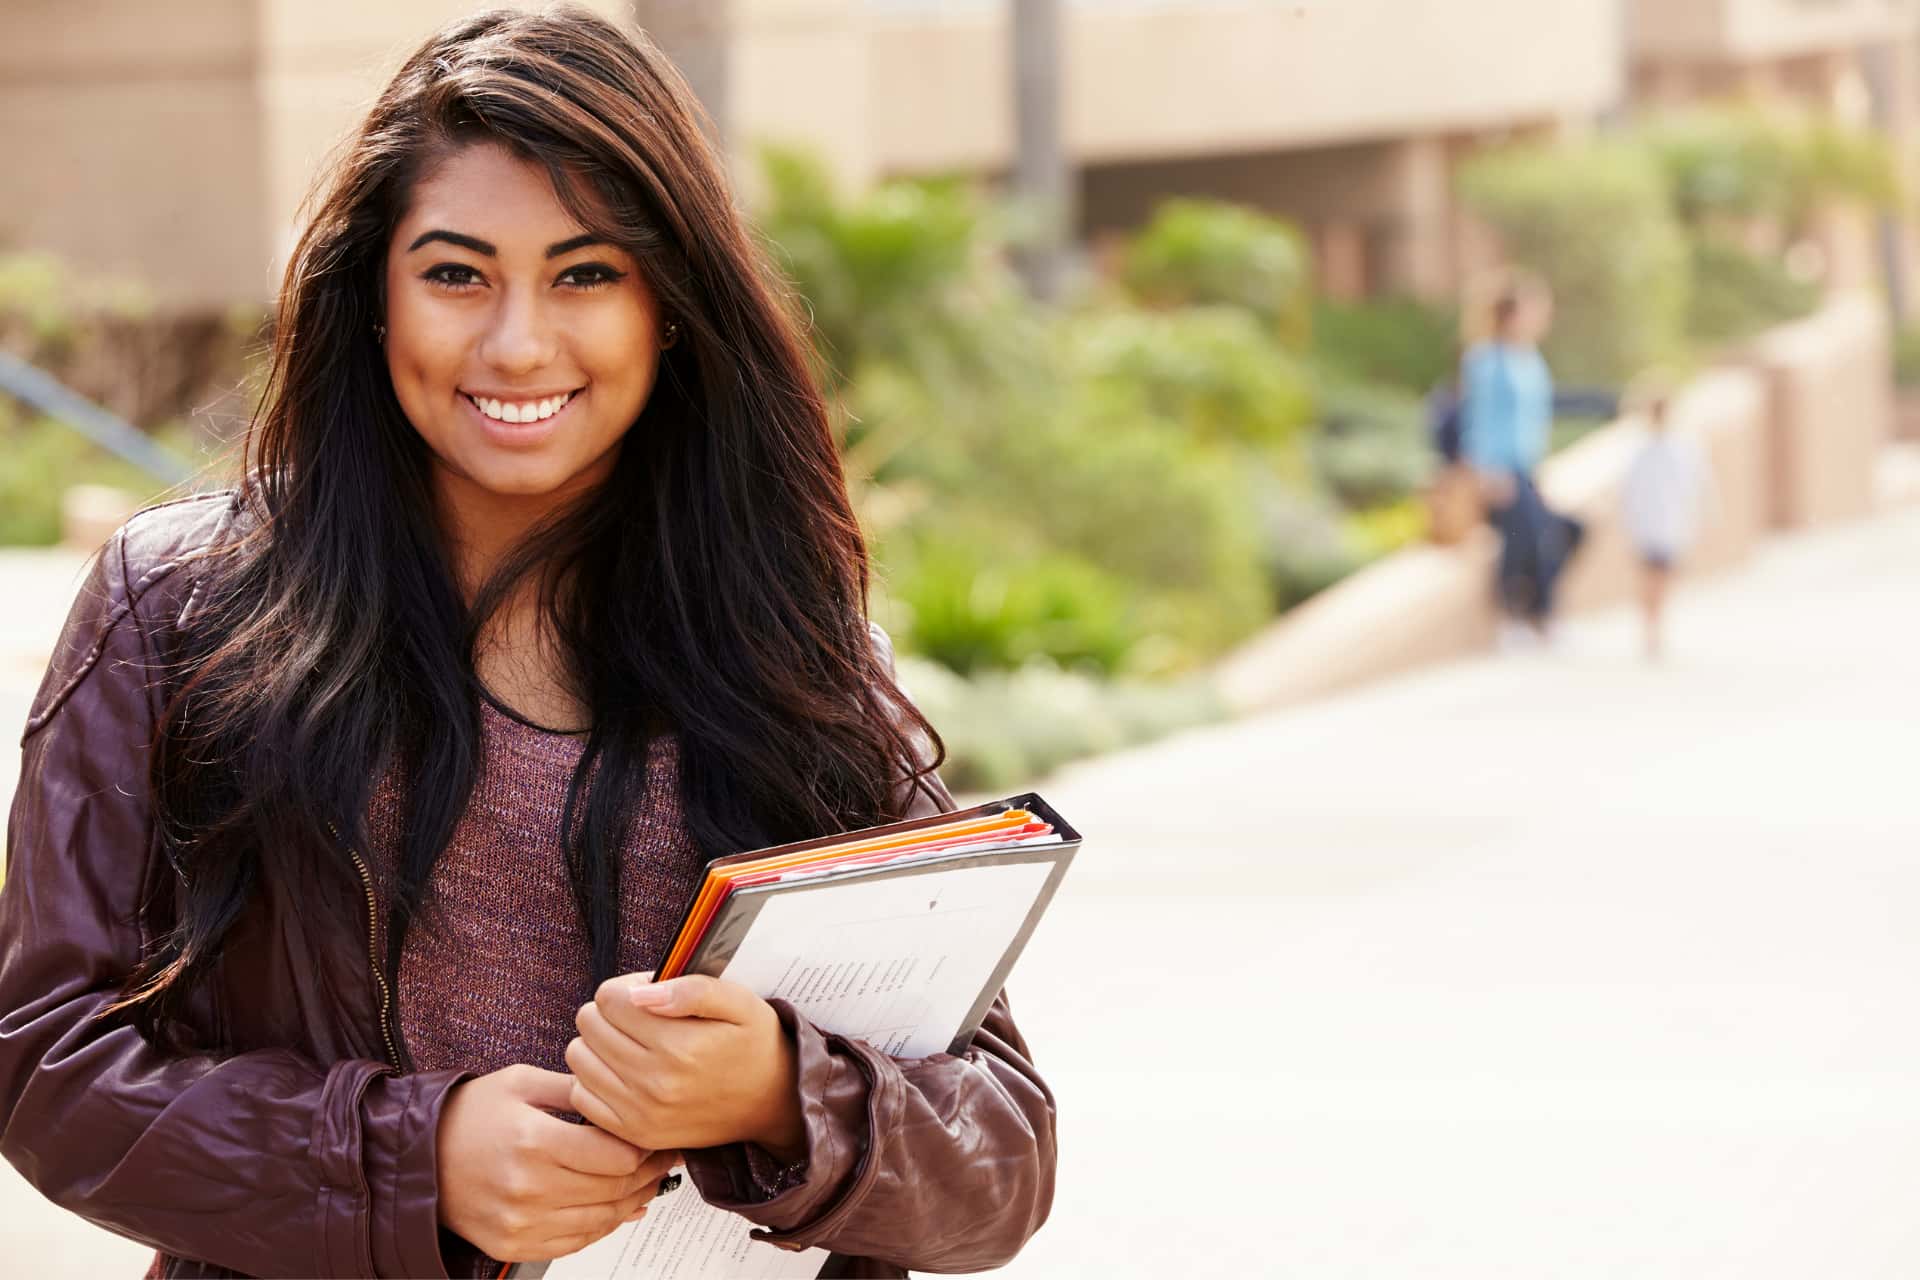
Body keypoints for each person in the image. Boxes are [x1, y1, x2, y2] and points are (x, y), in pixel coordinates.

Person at [0, 9, 1055, 1279]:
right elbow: (45, 1057)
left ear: (669, 305)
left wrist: (781, 1092)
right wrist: (416, 1158)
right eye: (455, 274)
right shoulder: (181, 606)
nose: (516, 343)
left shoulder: (793, 644)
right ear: (375, 295)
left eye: (585, 274)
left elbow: (1001, 1159)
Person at [1461, 278, 1583, 643]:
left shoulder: (1530, 359)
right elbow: (1479, 418)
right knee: (1524, 533)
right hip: (1499, 470)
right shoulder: (1486, 360)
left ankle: (1536, 610)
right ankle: (1520, 615)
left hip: (1528, 468)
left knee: (1571, 529)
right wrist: (1486, 471)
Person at [1621, 386, 1713, 660]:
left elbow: (1698, 486)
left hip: (1667, 524)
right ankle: (1652, 629)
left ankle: (1654, 627)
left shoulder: (1681, 448)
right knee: (1653, 577)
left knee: (1659, 578)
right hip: (1651, 525)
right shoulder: (1643, 450)